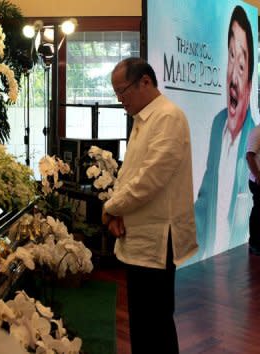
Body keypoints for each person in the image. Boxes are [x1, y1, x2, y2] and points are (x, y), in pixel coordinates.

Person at [102, 57, 198, 354]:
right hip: (139, 233)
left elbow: (150, 178)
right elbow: (128, 173)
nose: (120, 100)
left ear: (145, 81)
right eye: (116, 93)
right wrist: (117, 210)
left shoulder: (168, 116)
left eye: (123, 91)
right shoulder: (143, 119)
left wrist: (111, 208)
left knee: (156, 324)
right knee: (142, 324)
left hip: (157, 238)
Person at [194, 5, 255, 259]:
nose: (234, 75)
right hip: (207, 261)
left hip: (235, 262)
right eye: (232, 57)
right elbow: (205, 199)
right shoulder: (218, 123)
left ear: (250, 82)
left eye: (242, 65)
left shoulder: (253, 133)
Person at [246, 125, 260, 254]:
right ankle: (254, 244)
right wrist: (258, 177)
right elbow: (249, 156)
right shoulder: (257, 132)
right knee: (258, 212)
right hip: (257, 182)